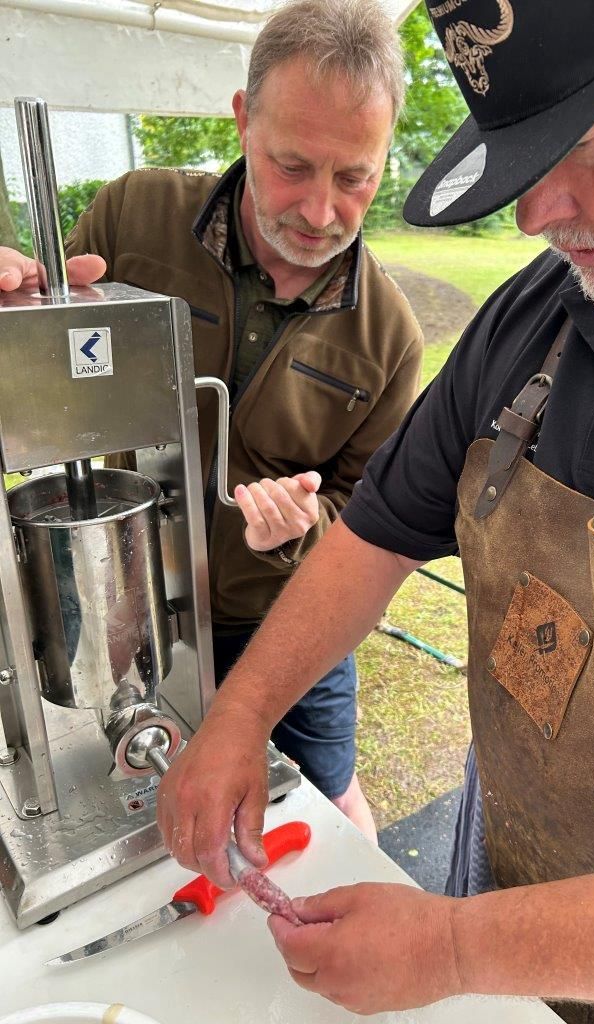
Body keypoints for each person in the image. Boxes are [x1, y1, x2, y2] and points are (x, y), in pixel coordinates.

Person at [158, 0, 594, 1020]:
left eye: (590, 144)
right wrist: (239, 715)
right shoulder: (539, 315)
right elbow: (375, 534)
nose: (534, 214)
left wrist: (447, 945)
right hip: (519, 953)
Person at [0, 0, 424, 842]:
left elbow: (367, 516)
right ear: (242, 119)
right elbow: (53, 372)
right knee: (139, 801)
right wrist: (22, 314)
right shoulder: (134, 217)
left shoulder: (391, 336)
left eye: (355, 177)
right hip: (131, 604)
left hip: (285, 617)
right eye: (292, 163)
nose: (317, 210)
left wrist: (305, 525)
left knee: (327, 802)